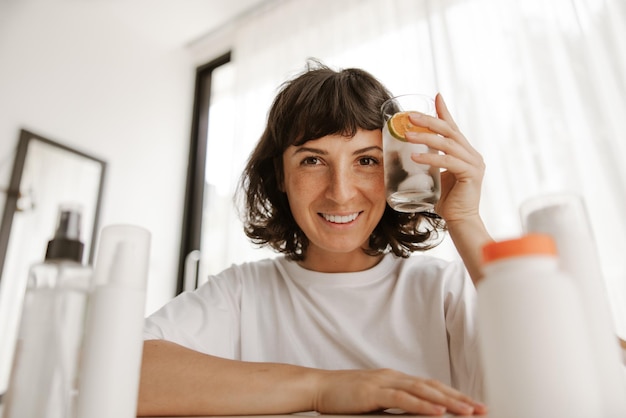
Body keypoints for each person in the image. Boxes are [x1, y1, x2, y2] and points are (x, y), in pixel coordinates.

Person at [138, 61, 493, 416]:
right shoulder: (242, 292)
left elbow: (544, 378)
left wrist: (465, 219)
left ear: (394, 170)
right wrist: (323, 388)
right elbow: (121, 370)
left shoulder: (443, 289)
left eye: (367, 161)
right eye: (312, 161)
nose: (340, 193)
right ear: (281, 174)